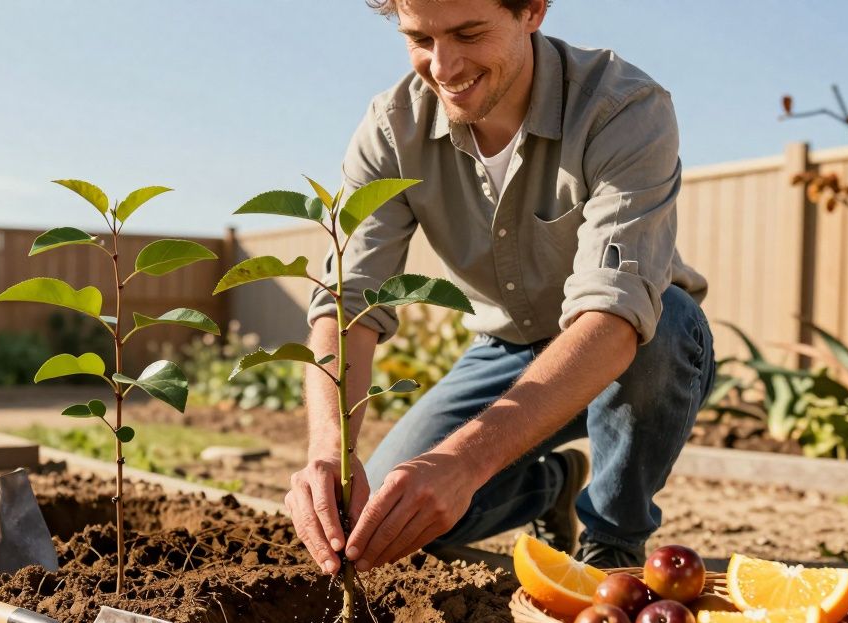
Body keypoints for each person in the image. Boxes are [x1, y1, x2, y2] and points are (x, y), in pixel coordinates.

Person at [286, 0, 713, 576]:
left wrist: (464, 462)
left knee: (662, 327)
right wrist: (327, 454)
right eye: (420, 39)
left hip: (628, 348)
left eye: (468, 33)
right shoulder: (393, 131)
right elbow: (349, 304)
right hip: (504, 350)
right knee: (389, 515)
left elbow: (612, 320)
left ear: (532, 10)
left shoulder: (622, 107)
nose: (443, 65)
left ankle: (613, 542)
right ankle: (547, 488)